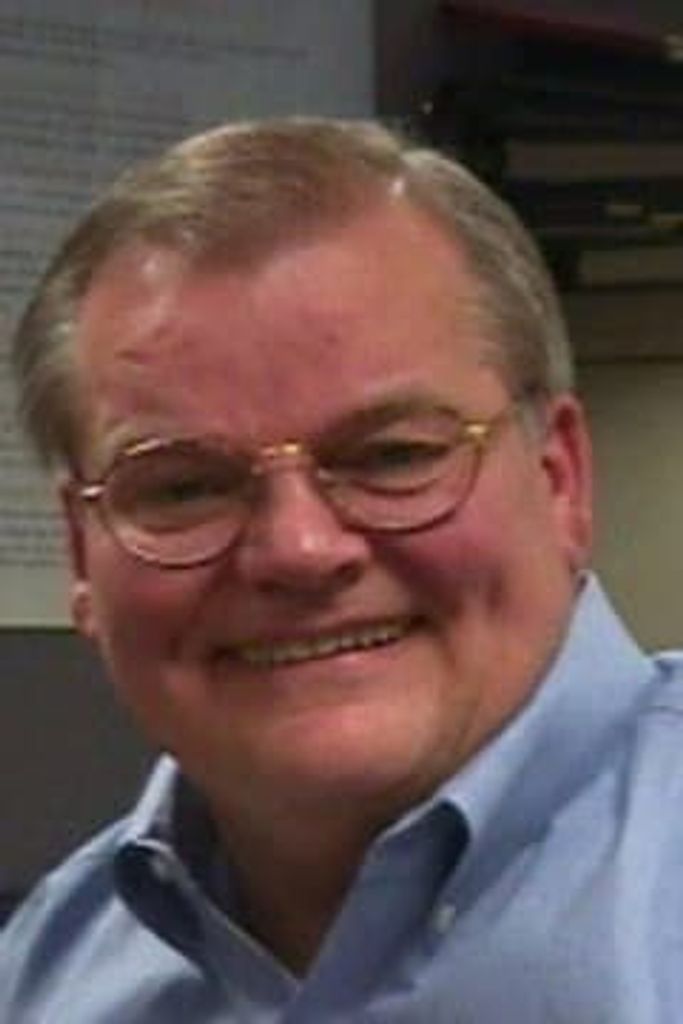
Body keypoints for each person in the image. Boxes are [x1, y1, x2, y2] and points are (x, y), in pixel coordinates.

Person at [0, 116, 681, 1023]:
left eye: (393, 456)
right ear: (82, 555)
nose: (299, 550)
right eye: (185, 487)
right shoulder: (46, 976)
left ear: (560, 480)